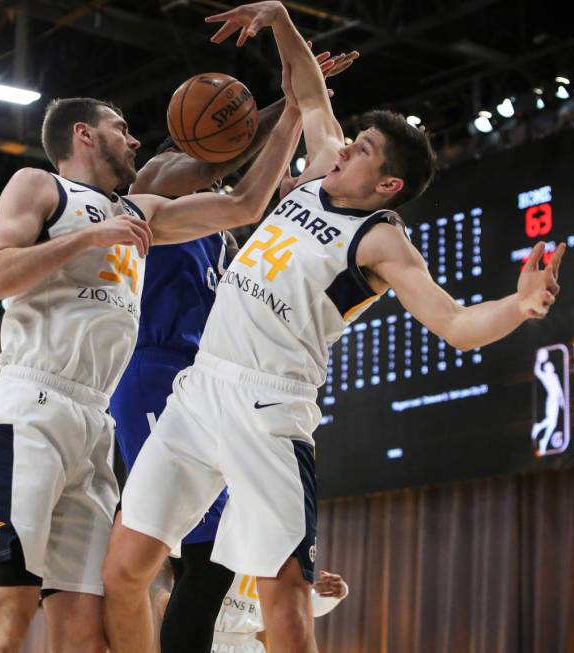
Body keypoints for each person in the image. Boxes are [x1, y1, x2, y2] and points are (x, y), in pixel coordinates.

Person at [103, 3, 567, 653]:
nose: (348, 147)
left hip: (270, 409)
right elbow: (309, 90)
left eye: (365, 151)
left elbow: (455, 324)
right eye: (355, 141)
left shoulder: (382, 243)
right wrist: (281, 18)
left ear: (388, 184)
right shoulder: (324, 163)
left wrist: (518, 306)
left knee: (284, 602)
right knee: (124, 567)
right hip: (202, 388)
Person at [0, 83, 302, 653]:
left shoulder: (137, 212)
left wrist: (295, 109)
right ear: (83, 134)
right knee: (6, 621)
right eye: (121, 126)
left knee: (87, 636)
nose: (135, 137)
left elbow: (245, 204)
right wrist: (89, 237)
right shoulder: (40, 186)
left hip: (94, 424)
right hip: (27, 411)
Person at [110, 50, 354, 653]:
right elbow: (239, 171)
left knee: (210, 556)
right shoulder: (159, 178)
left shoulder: (219, 219)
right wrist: (283, 109)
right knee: (187, 556)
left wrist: (294, 105)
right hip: (153, 370)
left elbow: (271, 195)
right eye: (230, 121)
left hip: (204, 384)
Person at [210, 570, 348, 653]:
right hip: (202, 639)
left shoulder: (276, 551)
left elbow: (295, 605)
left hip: (246, 646)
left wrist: (334, 592)